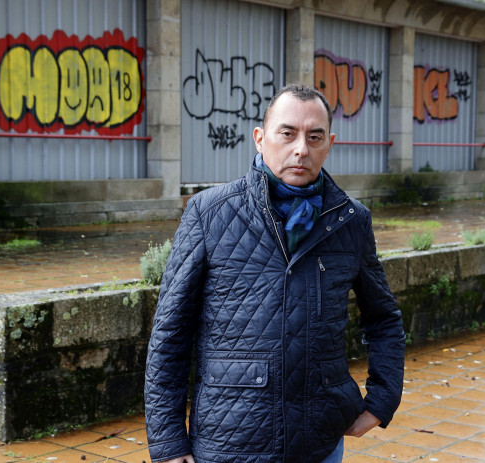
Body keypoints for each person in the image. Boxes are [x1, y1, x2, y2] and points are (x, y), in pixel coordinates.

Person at [144, 83, 405, 463]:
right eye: (287, 133)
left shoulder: (351, 220)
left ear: (328, 143)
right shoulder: (209, 213)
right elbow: (170, 333)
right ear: (260, 138)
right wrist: (168, 442)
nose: (301, 148)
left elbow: (383, 319)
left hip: (319, 442)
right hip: (229, 440)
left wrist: (381, 401)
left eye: (314, 137)